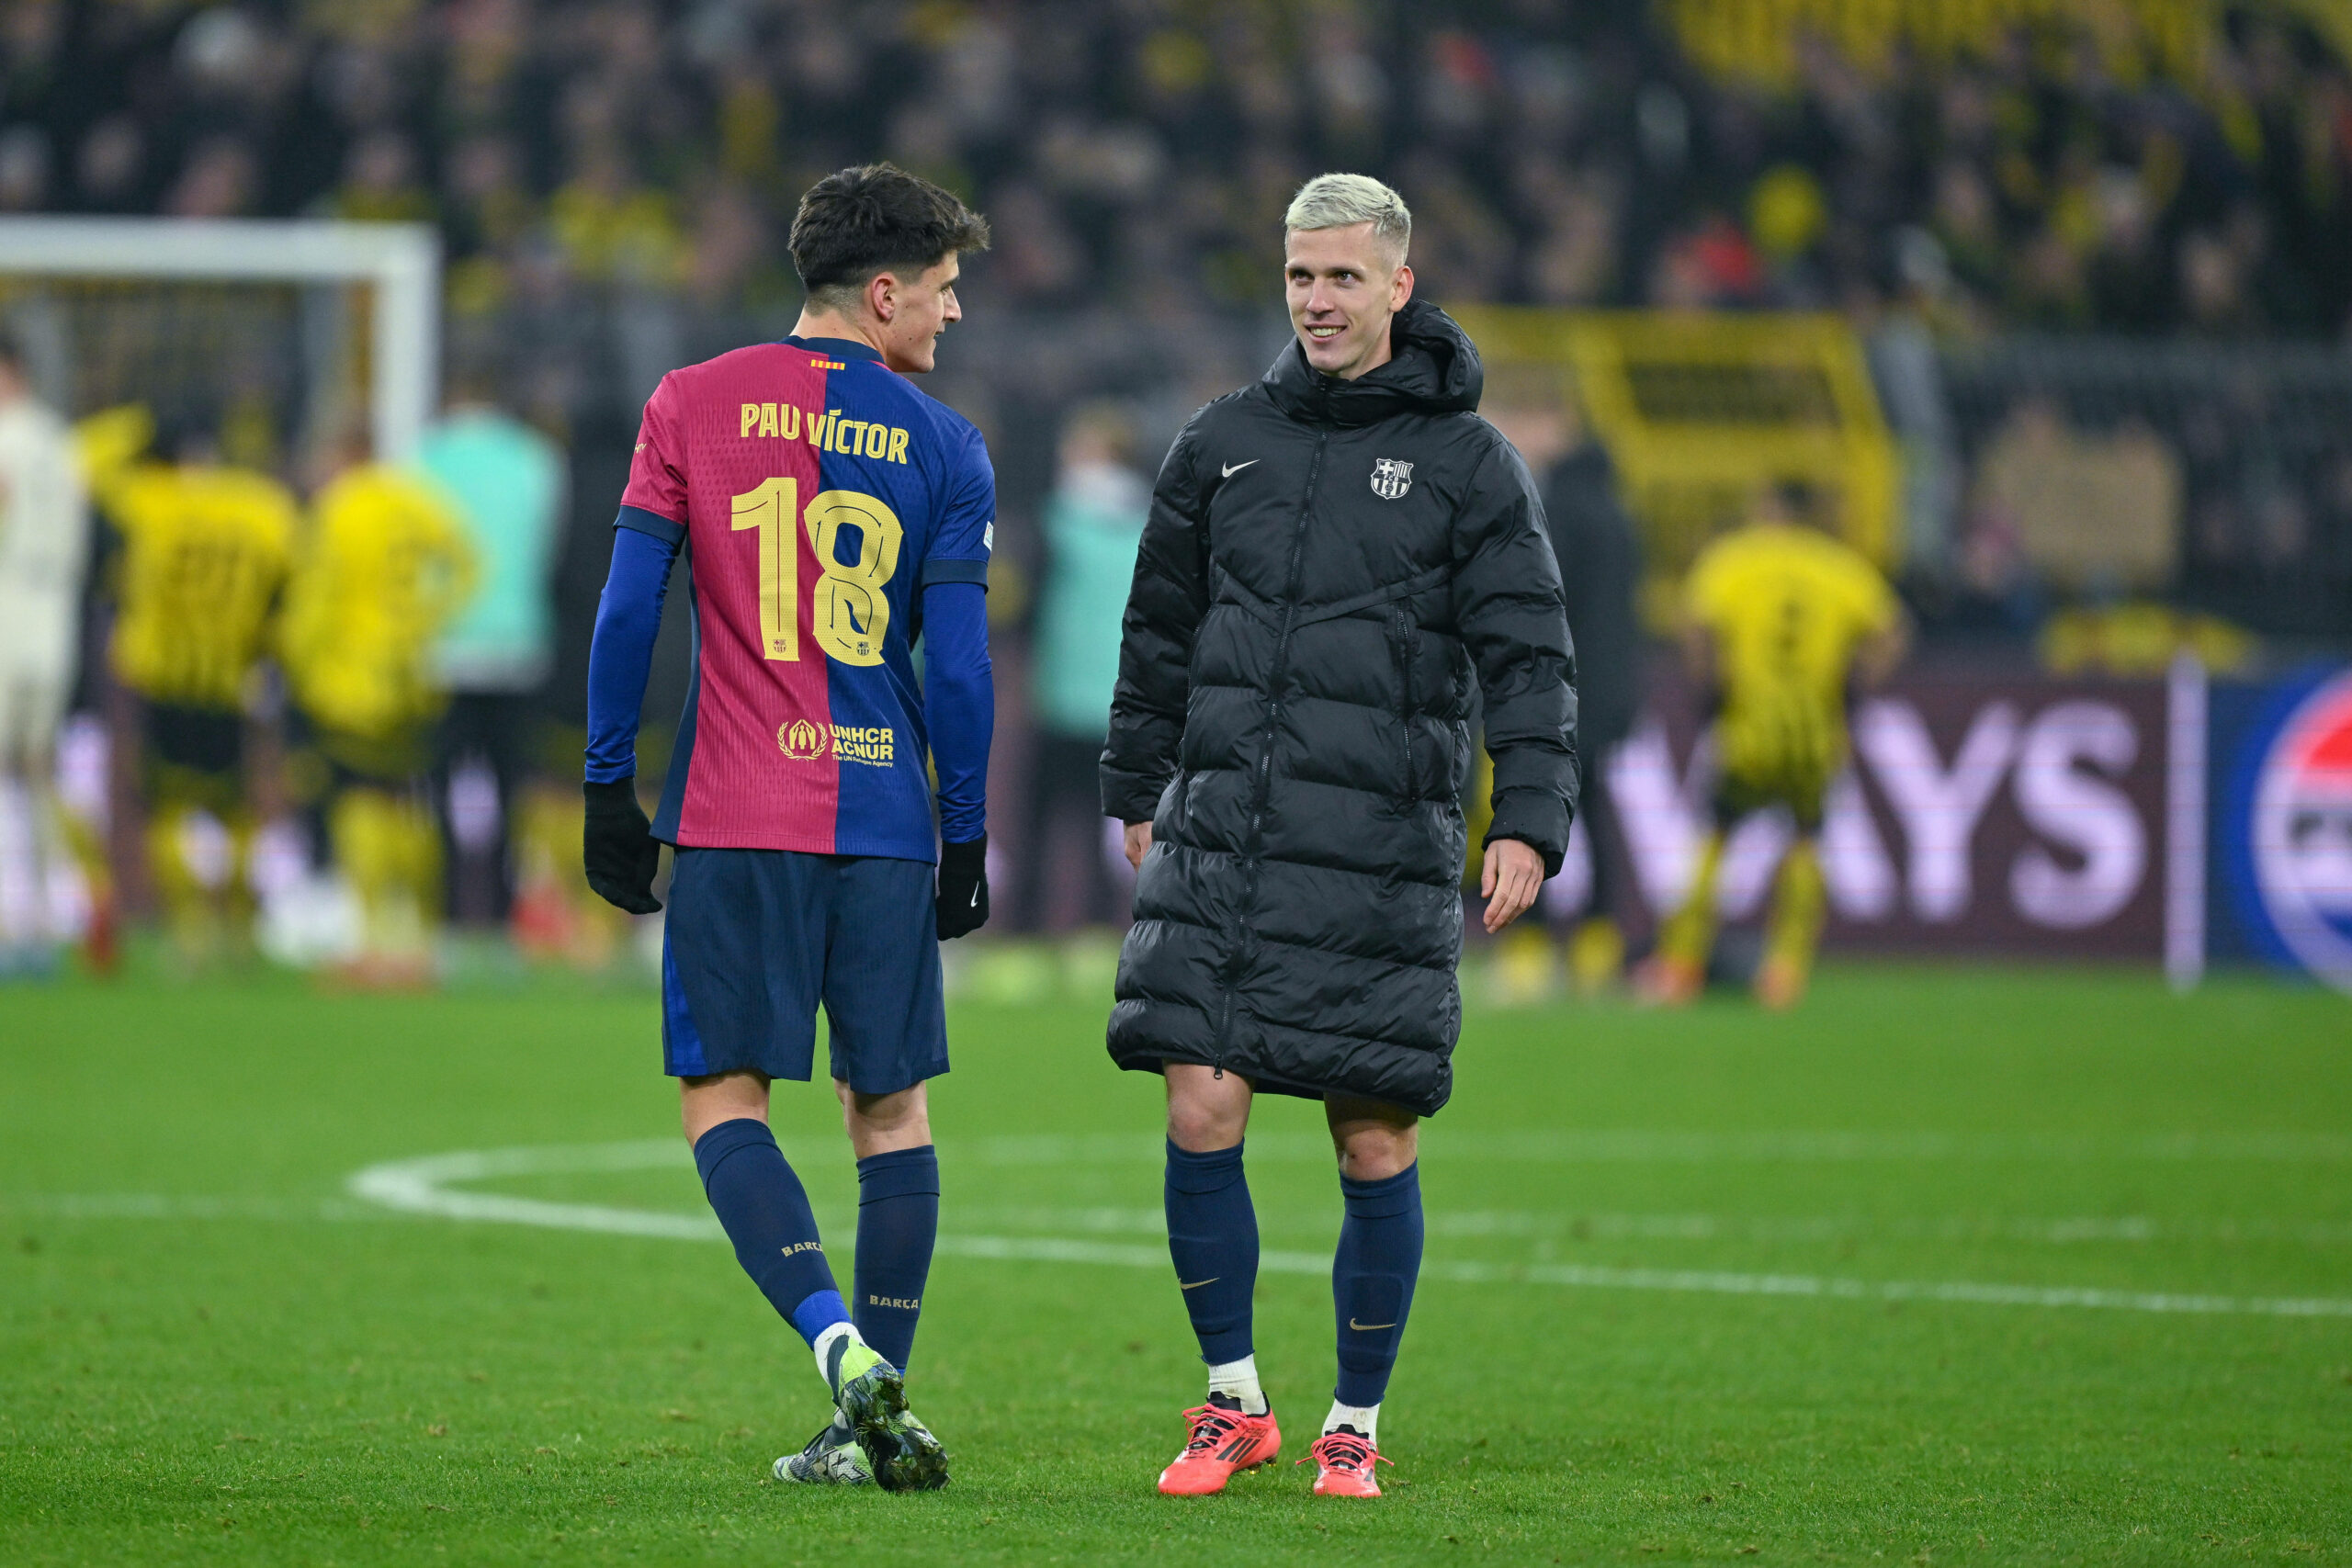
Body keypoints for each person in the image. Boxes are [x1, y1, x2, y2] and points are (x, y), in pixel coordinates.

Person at [1102, 174, 1577, 1500]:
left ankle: (1353, 1419)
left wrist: (1528, 816)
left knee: (1373, 1133)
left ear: (1399, 286)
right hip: (1227, 830)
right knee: (1199, 1101)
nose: (1318, 299)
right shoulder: (1222, 441)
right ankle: (1231, 1399)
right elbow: (1159, 629)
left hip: (1376, 840)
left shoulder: (1470, 463)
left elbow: (1529, 654)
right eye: (1302, 276)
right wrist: (1137, 778)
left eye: (1345, 278)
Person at [579, 163, 995, 1494]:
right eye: (941, 288)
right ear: (882, 296)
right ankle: (884, 1390)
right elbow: (964, 671)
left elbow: (627, 611)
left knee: (723, 1098)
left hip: (736, 812)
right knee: (892, 1111)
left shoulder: (688, 403)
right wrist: (968, 834)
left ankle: (836, 1353)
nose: (954, 313)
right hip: (881, 819)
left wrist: (605, 785)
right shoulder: (948, 444)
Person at [1635, 479, 1908, 1010]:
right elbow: (1893, 632)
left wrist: (1709, 686)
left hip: (1748, 731)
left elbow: (1694, 624)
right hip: (1813, 733)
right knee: (1807, 839)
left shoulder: (1733, 559)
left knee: (1715, 834)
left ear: (1770, 508)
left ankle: (1681, 964)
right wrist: (1853, 686)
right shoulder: (1839, 566)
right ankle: (1785, 970)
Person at [82, 407, 296, 967]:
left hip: (166, 673)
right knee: (236, 805)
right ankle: (243, 917)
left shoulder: (154, 501)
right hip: (231, 675)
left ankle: (188, 924)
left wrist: (140, 422)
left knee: (166, 805)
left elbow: (86, 460)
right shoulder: (259, 506)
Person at [280, 446, 478, 983]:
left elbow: (314, 598)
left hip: (349, 677)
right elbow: (467, 563)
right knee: (406, 799)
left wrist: (297, 662)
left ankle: (372, 935)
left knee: (357, 794)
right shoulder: (415, 502)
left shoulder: (337, 509)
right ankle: (416, 932)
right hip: (411, 676)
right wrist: (428, 620)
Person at [418, 383, 566, 929]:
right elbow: (550, 547)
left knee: (438, 791)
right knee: (510, 790)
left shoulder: (422, 458)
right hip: (518, 645)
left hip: (442, 647)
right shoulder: (536, 459)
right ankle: (504, 912)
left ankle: (448, 911)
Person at [1026, 400, 1148, 930]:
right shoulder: (1148, 522)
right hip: (1120, 700)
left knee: (1043, 821)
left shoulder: (1057, 520)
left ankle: (1031, 928)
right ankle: (1104, 932)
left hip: (1062, 697)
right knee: (1115, 826)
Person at [0, 336, 88, 971]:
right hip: (54, 616)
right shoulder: (64, 442)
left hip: (5, 607)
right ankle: (57, 907)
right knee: (39, 767)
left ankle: (13, 914)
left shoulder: (6, 438)